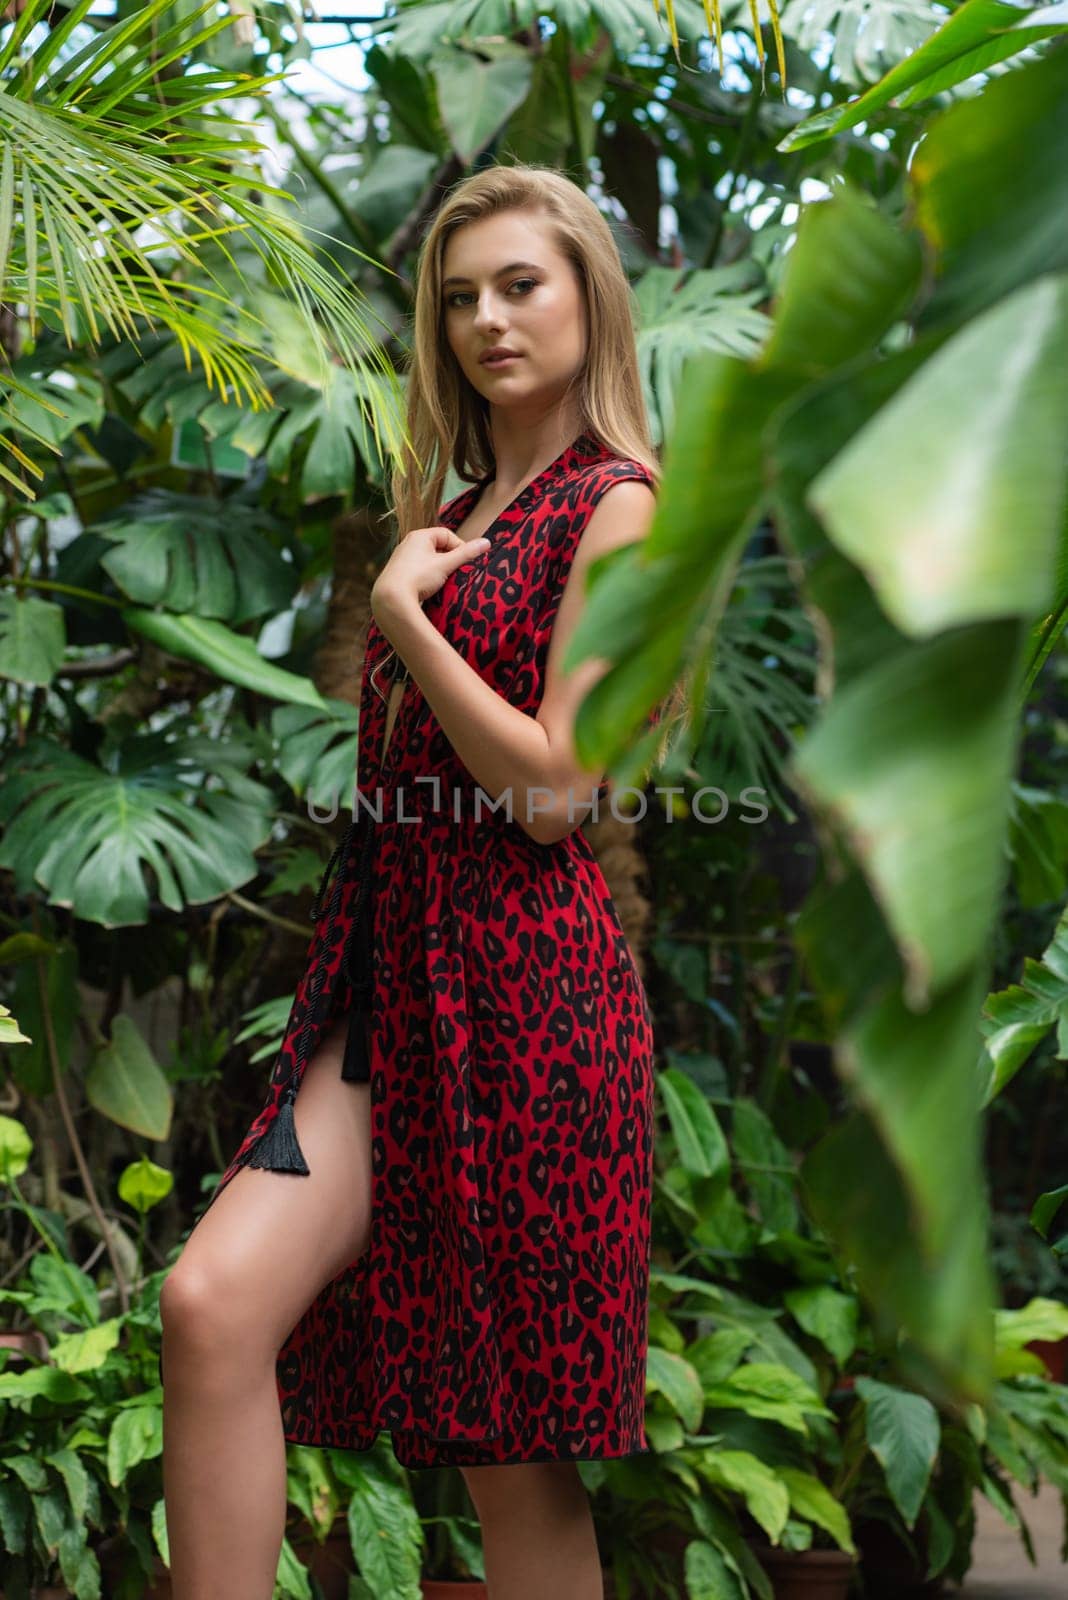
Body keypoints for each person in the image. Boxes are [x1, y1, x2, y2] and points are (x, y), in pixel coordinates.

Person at [160, 161, 664, 1600]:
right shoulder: (457, 506)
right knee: (211, 1307)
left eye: (522, 284)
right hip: (393, 995)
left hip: (529, 1003)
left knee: (508, 1445)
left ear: (587, 298)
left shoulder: (616, 504)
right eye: (459, 298)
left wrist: (404, 618)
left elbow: (560, 792)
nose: (488, 320)